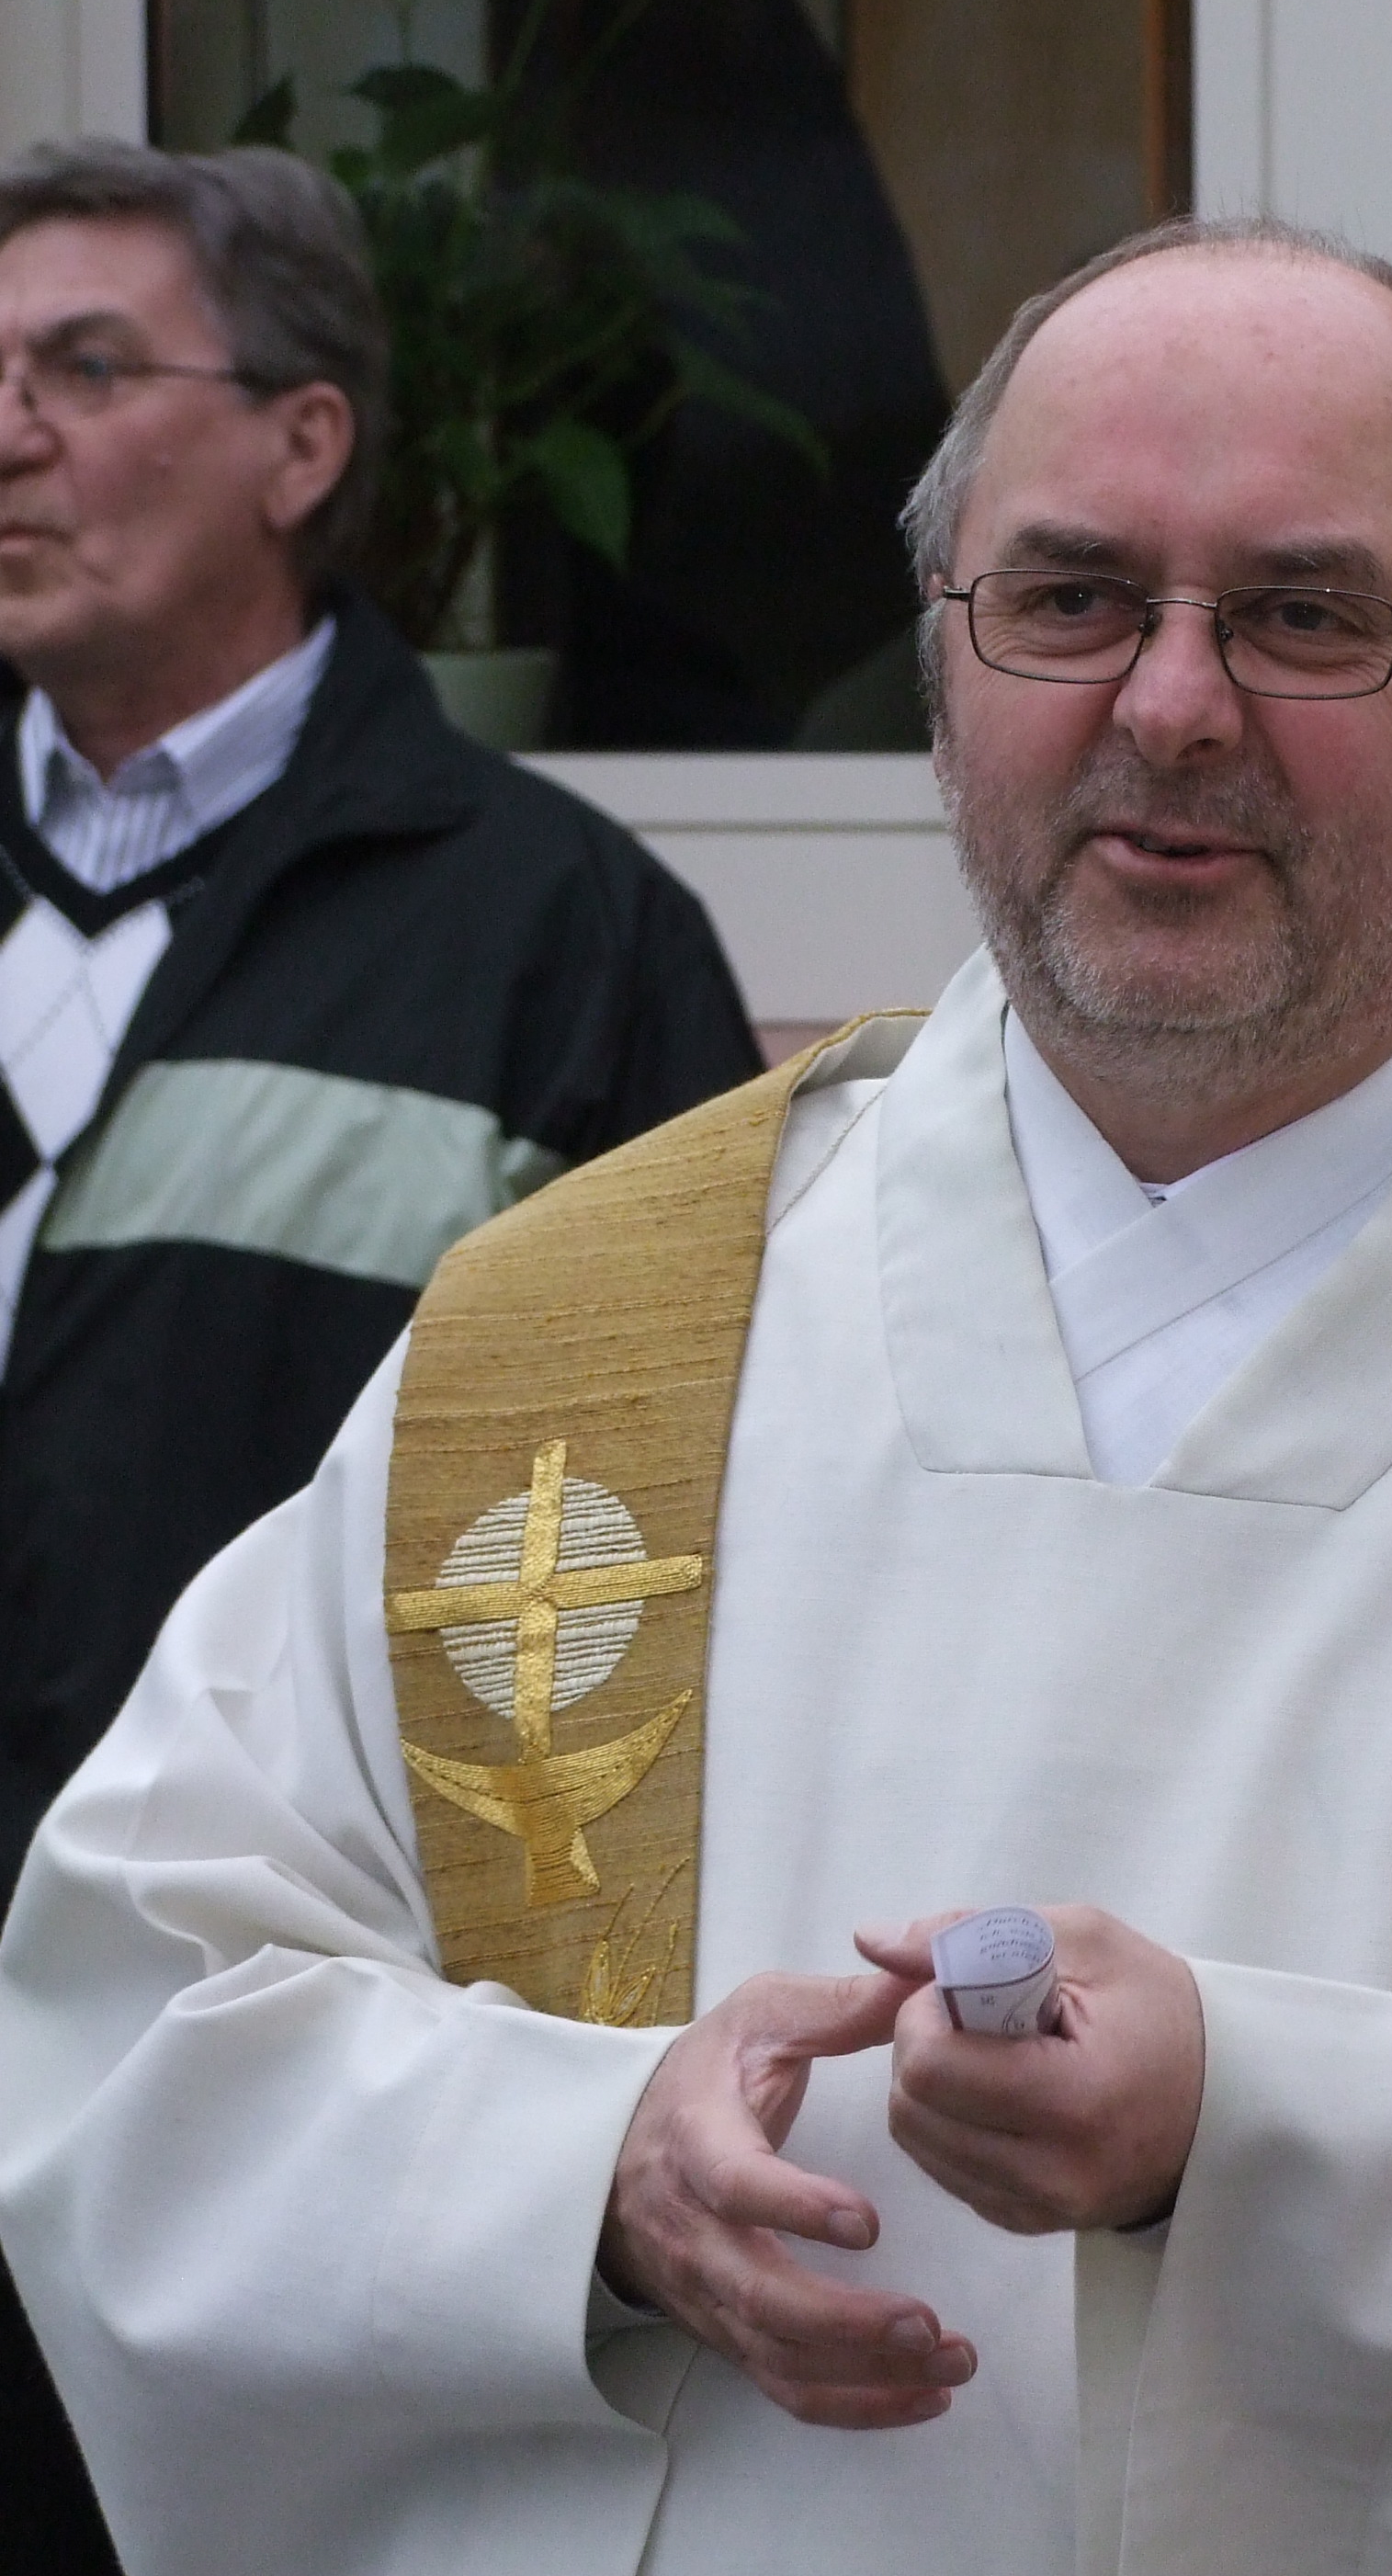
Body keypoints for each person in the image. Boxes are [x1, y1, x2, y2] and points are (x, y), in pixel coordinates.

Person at [0, 214, 1392, 2576]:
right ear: (942, 664)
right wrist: (583, 2180)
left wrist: (1253, 2130)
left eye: (1304, 616)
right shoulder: (559, 1343)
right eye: (1073, 598)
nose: (1173, 705)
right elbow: (139, 2025)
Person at [0, 138, 761, 2564]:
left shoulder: (560, 942)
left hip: (251, 2080)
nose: (8, 430)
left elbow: (676, 1554)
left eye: (83, 366)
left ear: (303, 443)